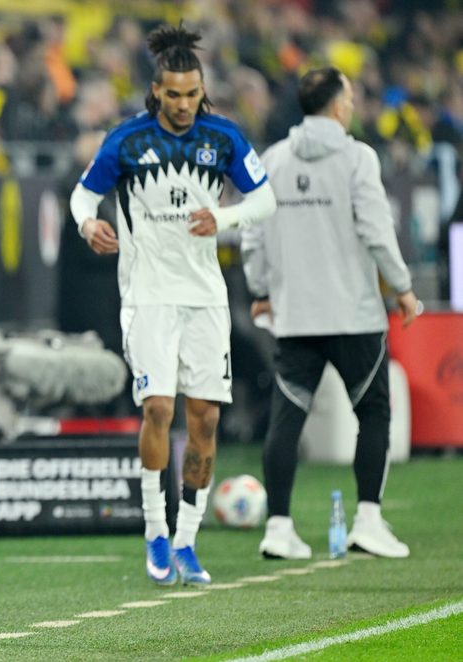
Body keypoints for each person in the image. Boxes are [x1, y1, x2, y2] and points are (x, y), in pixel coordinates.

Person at [69, 23, 277, 586]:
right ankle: (155, 532)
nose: (183, 104)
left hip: (206, 298)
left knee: (205, 417)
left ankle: (187, 539)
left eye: (192, 93)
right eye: (173, 94)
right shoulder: (127, 141)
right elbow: (83, 193)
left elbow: (265, 199)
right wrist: (88, 222)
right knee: (158, 408)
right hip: (148, 296)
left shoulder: (225, 138)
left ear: (201, 90)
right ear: (156, 91)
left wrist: (226, 218)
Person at [242, 66, 419, 560]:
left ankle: (278, 526)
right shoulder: (357, 158)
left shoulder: (272, 160)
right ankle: (368, 520)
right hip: (354, 314)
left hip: (295, 316)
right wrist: (403, 288)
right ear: (339, 105)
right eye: (352, 94)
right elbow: (377, 231)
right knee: (375, 413)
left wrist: (260, 289)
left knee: (286, 419)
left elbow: (253, 235)